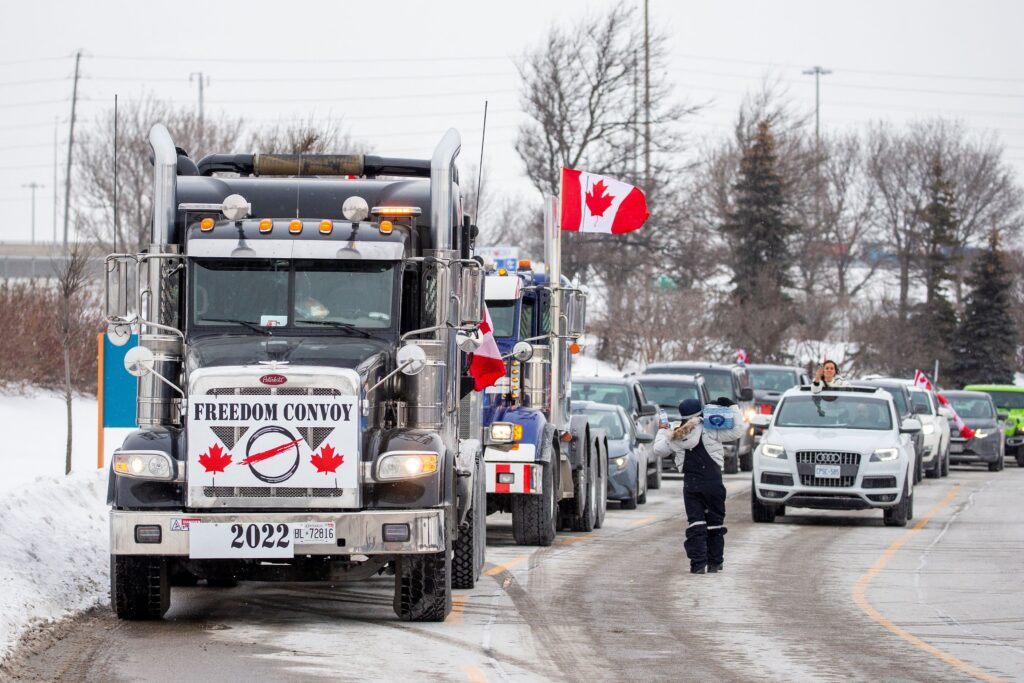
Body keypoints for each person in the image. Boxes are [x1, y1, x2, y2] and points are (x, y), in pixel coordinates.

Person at [653, 397, 745, 574]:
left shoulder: (675, 435)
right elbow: (737, 430)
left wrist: (663, 430)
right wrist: (732, 407)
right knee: (715, 523)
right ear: (700, 413)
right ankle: (715, 562)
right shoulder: (710, 429)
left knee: (696, 523)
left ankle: (698, 564)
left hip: (691, 485)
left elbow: (658, 450)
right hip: (713, 482)